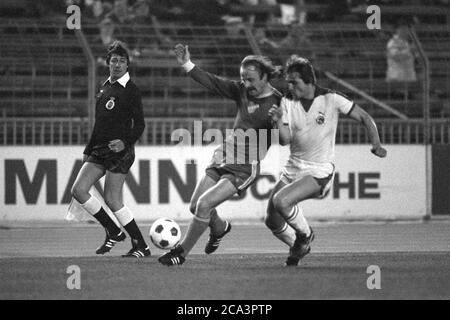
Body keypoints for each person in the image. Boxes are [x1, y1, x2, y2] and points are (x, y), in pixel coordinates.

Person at [158, 44, 283, 266]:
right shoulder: (242, 91)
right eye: (243, 78)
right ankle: (219, 227)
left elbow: (282, 138)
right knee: (196, 205)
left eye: (251, 79)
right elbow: (213, 82)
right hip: (224, 156)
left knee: (205, 205)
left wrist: (277, 124)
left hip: (244, 167)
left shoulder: (279, 103)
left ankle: (181, 253)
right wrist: (187, 64)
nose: (246, 83)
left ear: (265, 77)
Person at [266, 55, 387, 266]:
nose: (290, 85)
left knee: (281, 201)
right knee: (272, 219)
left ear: (309, 81)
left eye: (294, 81)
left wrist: (376, 144)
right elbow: (285, 140)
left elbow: (365, 117)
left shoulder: (332, 99)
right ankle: (299, 246)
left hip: (319, 171)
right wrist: (277, 122)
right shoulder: (286, 101)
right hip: (293, 168)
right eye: (288, 82)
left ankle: (305, 236)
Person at [71, 41, 151, 258]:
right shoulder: (105, 86)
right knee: (78, 190)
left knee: (112, 200)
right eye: (114, 60)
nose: (118, 64)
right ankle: (114, 231)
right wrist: (89, 150)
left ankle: (141, 245)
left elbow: (141, 124)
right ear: (108, 63)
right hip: (99, 149)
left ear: (127, 65)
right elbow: (100, 123)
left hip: (120, 151)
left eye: (122, 61)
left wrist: (125, 142)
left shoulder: (131, 90)